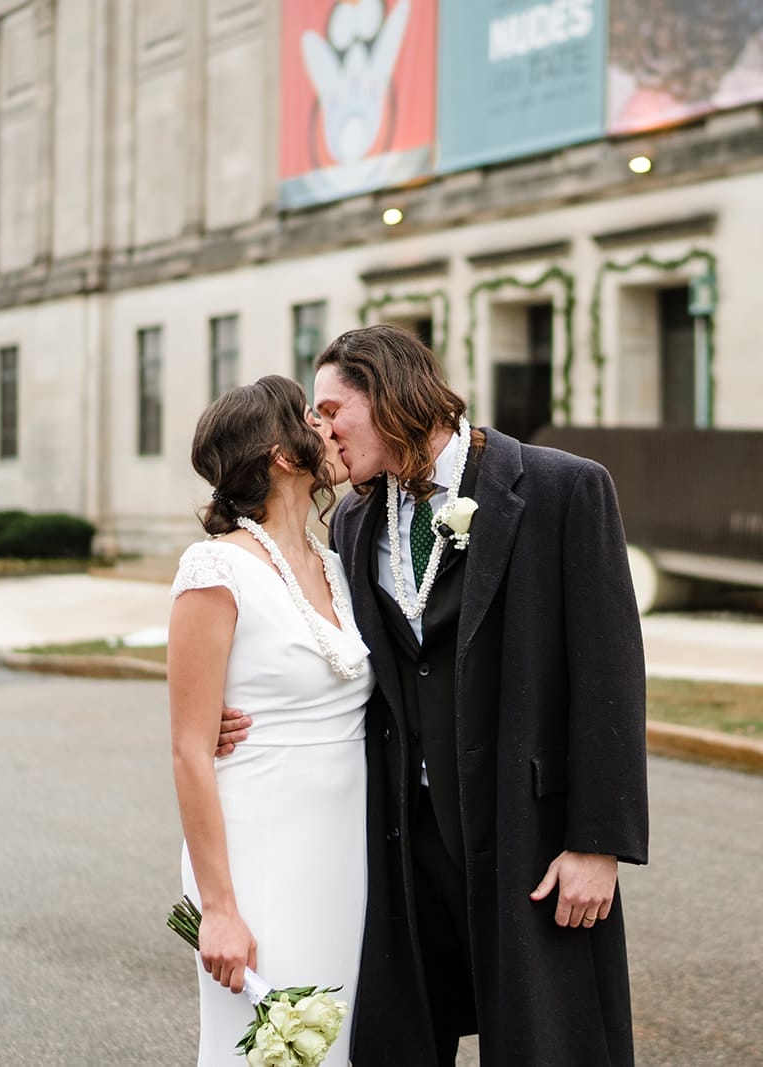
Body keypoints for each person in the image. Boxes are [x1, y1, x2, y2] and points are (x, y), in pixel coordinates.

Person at [221, 325, 649, 1065]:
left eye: (330, 409)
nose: (318, 431)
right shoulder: (354, 521)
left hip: (529, 836)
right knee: (403, 1043)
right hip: (402, 846)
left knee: (547, 1044)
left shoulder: (561, 489)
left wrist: (598, 842)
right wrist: (244, 718)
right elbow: (342, 658)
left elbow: (610, 675)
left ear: (389, 398)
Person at [170, 375, 374, 1067]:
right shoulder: (215, 568)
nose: (329, 428)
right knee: (265, 1053)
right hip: (256, 864)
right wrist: (221, 909)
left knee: (331, 1046)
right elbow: (190, 750)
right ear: (283, 455)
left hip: (342, 861)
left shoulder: (338, 561)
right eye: (313, 418)